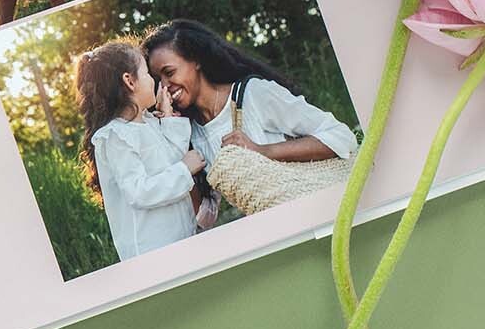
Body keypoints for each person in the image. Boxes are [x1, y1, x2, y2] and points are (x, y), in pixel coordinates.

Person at [140, 21, 358, 204]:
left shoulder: (254, 94)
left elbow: (341, 137)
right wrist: (171, 132)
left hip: (321, 206)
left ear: (196, 60)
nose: (165, 87)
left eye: (169, 72)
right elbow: (205, 217)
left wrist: (262, 151)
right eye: (158, 80)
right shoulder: (190, 133)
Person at [74, 42, 203, 261]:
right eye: (146, 73)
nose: (154, 81)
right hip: (152, 251)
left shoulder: (150, 122)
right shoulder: (116, 136)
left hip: (180, 237)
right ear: (130, 81)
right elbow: (139, 191)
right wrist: (184, 169)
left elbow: (173, 157)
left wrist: (168, 117)